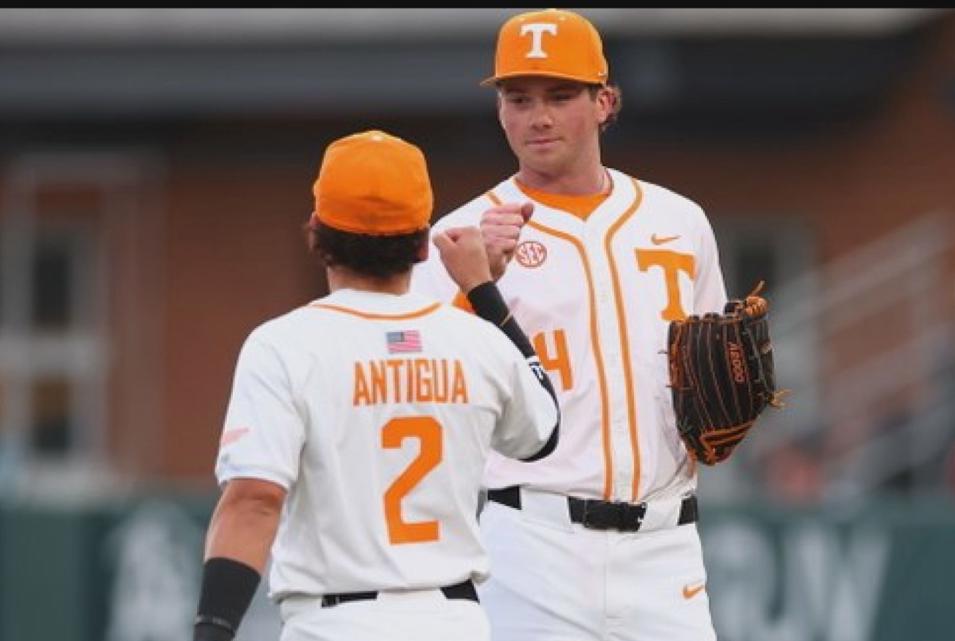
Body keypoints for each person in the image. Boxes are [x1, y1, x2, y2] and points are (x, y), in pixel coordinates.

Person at [411, 9, 727, 640]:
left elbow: (720, 371)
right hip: (531, 539)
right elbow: (416, 383)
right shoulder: (460, 237)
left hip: (664, 543)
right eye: (519, 98)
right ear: (500, 110)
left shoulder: (679, 220)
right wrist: (475, 288)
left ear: (605, 101)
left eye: (560, 95)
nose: (539, 117)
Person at [192, 129, 560, 641]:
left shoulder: (283, 345)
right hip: (452, 620)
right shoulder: (476, 340)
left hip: (334, 623)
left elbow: (254, 500)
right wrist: (483, 291)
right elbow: (544, 430)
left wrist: (213, 629)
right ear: (422, 242)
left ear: (317, 232)